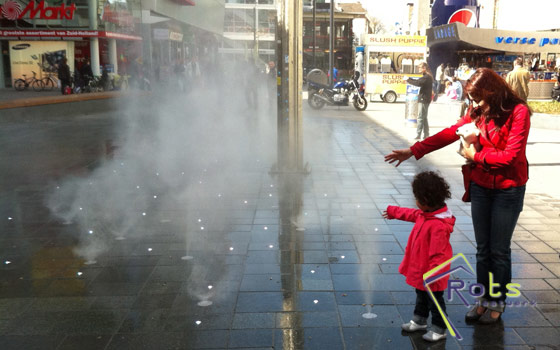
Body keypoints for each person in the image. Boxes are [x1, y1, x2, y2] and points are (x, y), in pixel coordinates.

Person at [385, 68, 531, 325]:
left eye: (478, 98)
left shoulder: (517, 112)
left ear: (492, 92)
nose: (474, 104)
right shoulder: (477, 112)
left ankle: (497, 302)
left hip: (508, 188)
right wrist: (413, 150)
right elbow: (448, 133)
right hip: (481, 186)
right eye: (471, 99)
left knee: (498, 250)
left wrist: (476, 155)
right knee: (483, 250)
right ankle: (482, 301)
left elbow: (511, 156)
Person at [383, 171, 455, 342]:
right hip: (422, 269)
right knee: (421, 296)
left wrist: (432, 276)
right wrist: (393, 211)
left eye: (417, 199)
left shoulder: (437, 225)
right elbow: (411, 214)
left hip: (432, 275)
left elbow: (438, 255)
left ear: (426, 202)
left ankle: (439, 328)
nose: (415, 203)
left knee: (435, 302)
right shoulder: (426, 214)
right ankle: (420, 320)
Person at [404, 62, 433, 140]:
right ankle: (426, 134)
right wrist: (409, 79)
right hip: (425, 98)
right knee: (424, 117)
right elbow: (418, 81)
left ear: (424, 68)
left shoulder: (426, 77)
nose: (419, 69)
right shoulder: (427, 76)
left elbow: (418, 83)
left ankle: (418, 134)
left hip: (424, 99)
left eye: (420, 67)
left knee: (420, 117)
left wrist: (408, 80)